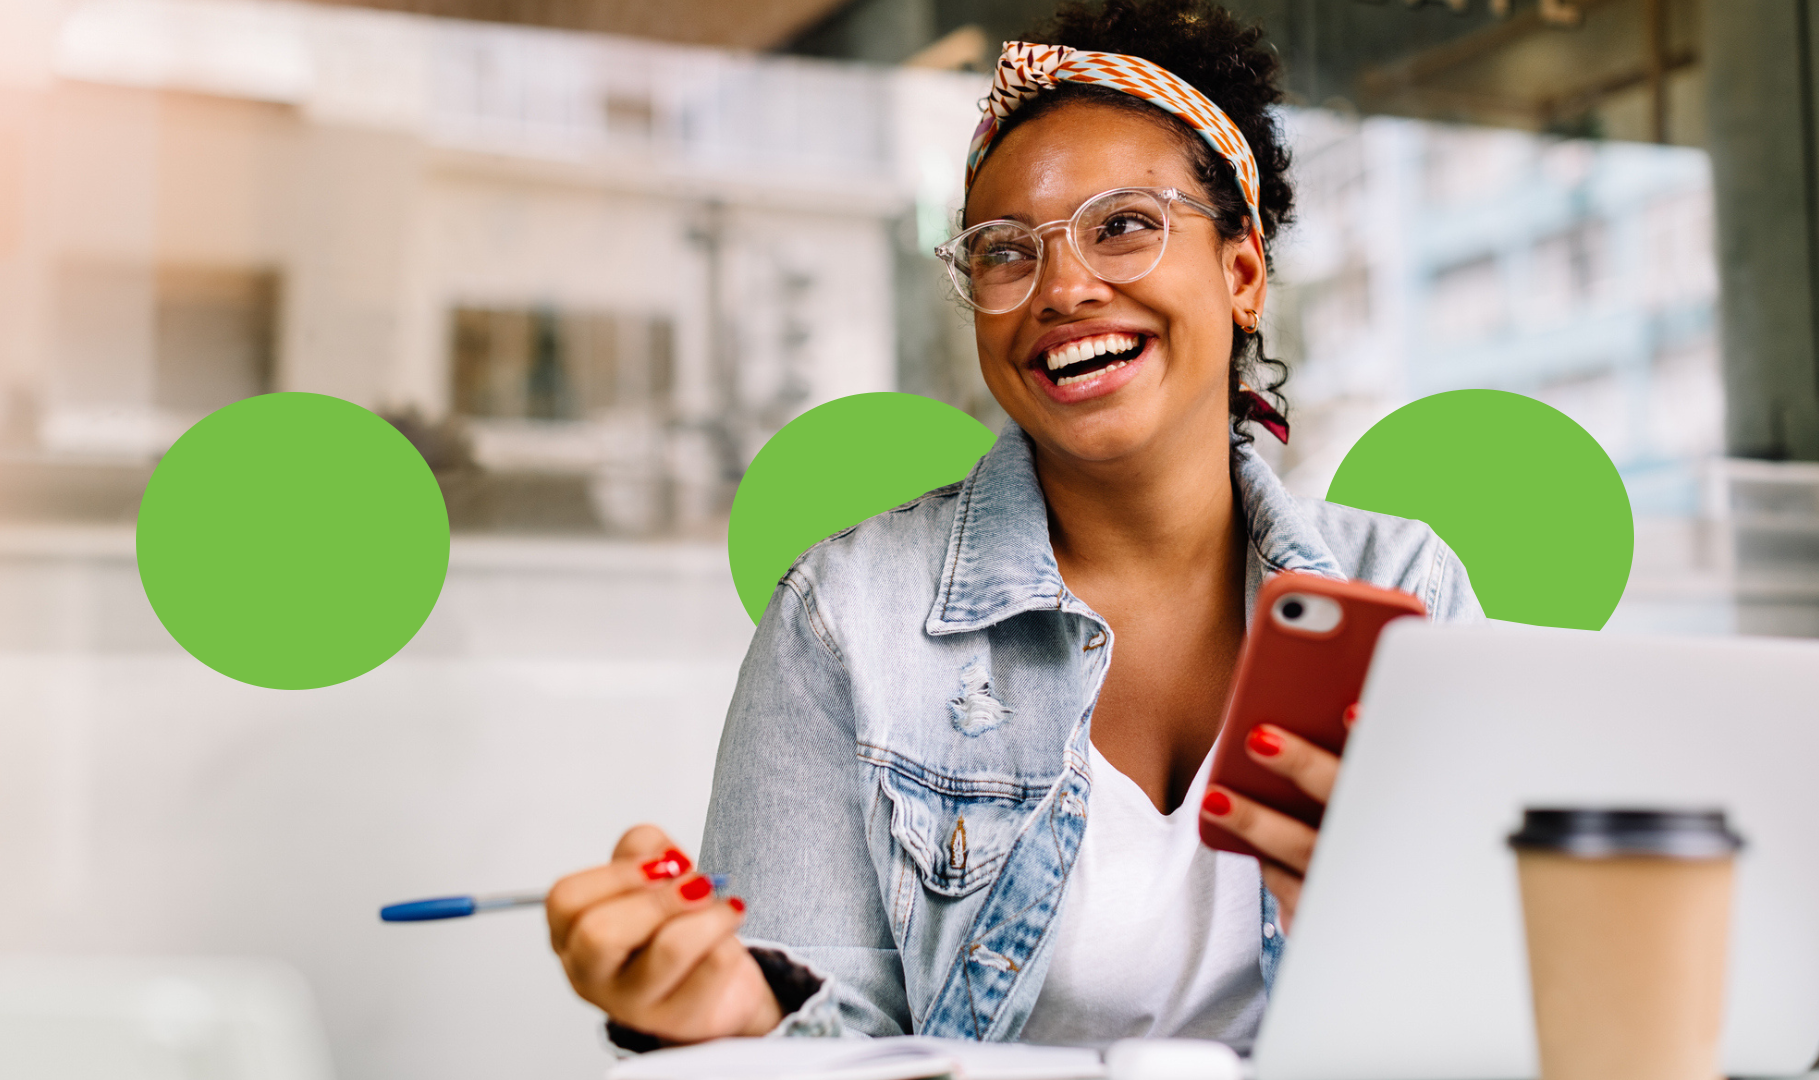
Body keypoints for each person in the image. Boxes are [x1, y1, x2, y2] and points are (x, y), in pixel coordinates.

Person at [544, 0, 1482, 1052]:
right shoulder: (847, 620)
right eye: (1003, 251)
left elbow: (1492, 1020)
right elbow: (812, 1044)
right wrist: (728, 1019)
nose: (1064, 289)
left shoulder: (1407, 594)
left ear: (1243, 273)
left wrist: (1378, 932)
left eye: (1125, 225)